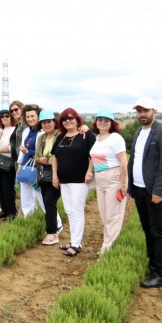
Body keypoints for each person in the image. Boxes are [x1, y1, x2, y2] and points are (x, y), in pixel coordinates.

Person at [128, 97, 162, 288]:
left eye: (146, 111)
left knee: (158, 232)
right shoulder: (138, 132)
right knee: (147, 229)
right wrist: (131, 187)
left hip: (156, 192)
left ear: (154, 111)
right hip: (140, 189)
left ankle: (158, 274)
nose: (142, 114)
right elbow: (133, 160)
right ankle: (152, 263)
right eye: (139, 111)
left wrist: (159, 190)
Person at [52, 108, 96, 257]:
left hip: (79, 180)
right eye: (64, 119)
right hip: (64, 180)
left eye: (71, 118)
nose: (67, 121)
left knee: (77, 211)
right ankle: (74, 240)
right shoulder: (61, 138)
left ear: (77, 119)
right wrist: (54, 176)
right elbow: (55, 158)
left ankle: (76, 244)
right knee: (69, 211)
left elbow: (92, 156)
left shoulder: (85, 135)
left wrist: (89, 172)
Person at [89, 109, 128, 255]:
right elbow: (93, 159)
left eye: (106, 120)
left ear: (112, 123)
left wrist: (123, 184)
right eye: (100, 119)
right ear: (96, 121)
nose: (103, 122)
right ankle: (109, 245)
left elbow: (123, 162)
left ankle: (106, 250)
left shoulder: (115, 138)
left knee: (113, 216)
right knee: (105, 216)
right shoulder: (98, 138)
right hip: (100, 180)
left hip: (114, 178)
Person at [35, 110, 64, 245]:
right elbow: (35, 157)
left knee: (49, 201)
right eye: (43, 122)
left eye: (49, 122)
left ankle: (52, 232)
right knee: (48, 203)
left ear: (54, 122)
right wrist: (40, 159)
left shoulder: (61, 135)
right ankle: (53, 229)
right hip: (43, 174)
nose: (46, 125)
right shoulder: (41, 138)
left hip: (57, 173)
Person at [17, 104, 45, 217]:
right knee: (25, 195)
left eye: (33, 116)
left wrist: (29, 153)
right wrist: (19, 166)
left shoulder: (42, 132)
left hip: (37, 168)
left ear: (38, 116)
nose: (30, 119)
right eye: (28, 117)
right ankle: (28, 217)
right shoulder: (27, 131)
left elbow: (42, 153)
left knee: (41, 195)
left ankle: (53, 223)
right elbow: (22, 151)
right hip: (26, 167)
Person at [0, 109, 17, 220]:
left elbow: (11, 148)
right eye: (2, 116)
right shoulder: (2, 130)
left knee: (8, 188)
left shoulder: (15, 130)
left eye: (7, 116)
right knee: (0, 187)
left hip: (9, 162)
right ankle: (4, 210)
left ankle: (12, 211)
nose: (5, 118)